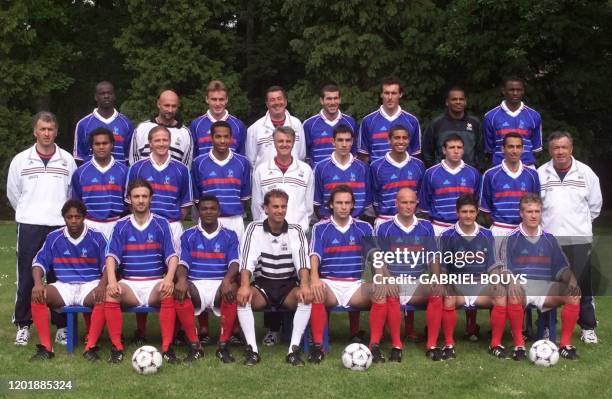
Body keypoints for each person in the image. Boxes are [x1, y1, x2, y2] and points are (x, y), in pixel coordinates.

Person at [98, 179, 199, 363]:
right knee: (111, 295)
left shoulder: (161, 224)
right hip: (130, 283)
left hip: (154, 282)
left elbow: (173, 257)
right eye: (136, 196)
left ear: (151, 198)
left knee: (167, 291)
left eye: (144, 196)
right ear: (129, 199)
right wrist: (112, 281)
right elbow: (111, 256)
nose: (141, 200)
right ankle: (117, 348)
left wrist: (169, 279)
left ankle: (167, 348)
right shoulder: (121, 225)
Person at [7, 111, 77, 346]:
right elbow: (14, 193)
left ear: (56, 132)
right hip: (29, 224)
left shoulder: (66, 159)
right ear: (35, 131)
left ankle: (61, 326)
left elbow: (71, 194)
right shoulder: (21, 160)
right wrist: (30, 213)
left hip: (58, 226)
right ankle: (23, 324)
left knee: (60, 277)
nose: (46, 133)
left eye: (50, 129)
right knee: (27, 275)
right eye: (42, 129)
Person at [538, 131, 602, 344]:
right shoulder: (541, 174)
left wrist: (579, 228)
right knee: (550, 286)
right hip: (550, 242)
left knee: (582, 286)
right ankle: (548, 329)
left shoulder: (585, 173)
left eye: (564, 147)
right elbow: (536, 208)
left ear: (571, 149)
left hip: (579, 240)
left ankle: (588, 327)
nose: (560, 152)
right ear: (550, 151)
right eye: (555, 148)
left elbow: (595, 206)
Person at [499, 194, 581, 361]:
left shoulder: (549, 239)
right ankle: (519, 345)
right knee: (514, 292)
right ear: (521, 213)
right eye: (529, 211)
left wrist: (571, 279)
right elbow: (504, 269)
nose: (534, 215)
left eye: (537, 211)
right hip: (521, 287)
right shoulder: (510, 238)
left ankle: (565, 345)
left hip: (545, 287)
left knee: (573, 294)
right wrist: (513, 281)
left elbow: (562, 268)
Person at [236, 189, 312, 366]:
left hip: (288, 286)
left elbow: (302, 262)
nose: (280, 210)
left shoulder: (296, 230)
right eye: (275, 207)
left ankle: (293, 350)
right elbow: (247, 261)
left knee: (306, 298)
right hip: (263, 285)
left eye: (283, 207)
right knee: (243, 299)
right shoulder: (254, 228)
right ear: (265, 209)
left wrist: (305, 285)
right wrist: (245, 285)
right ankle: (252, 350)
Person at [29, 200, 107, 361]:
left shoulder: (97, 236)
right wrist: (38, 283)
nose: (73, 220)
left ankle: (90, 347)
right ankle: (46, 348)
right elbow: (38, 263)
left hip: (89, 285)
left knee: (104, 297)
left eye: (77, 217)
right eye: (69, 217)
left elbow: (108, 265)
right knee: (38, 295)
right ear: (64, 218)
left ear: (84, 217)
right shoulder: (53, 238)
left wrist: (101, 285)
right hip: (63, 286)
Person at [374, 188, 444, 361]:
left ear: (417, 204)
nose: (408, 206)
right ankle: (396, 346)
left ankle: (432, 345)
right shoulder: (384, 227)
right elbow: (378, 259)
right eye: (404, 202)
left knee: (437, 291)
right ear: (396, 204)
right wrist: (388, 279)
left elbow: (433, 256)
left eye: (412, 202)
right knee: (390, 292)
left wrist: (436, 277)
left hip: (417, 282)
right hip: (394, 279)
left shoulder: (426, 226)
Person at [308, 186, 375, 363]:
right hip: (329, 283)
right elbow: (314, 255)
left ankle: (374, 346)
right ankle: (318, 346)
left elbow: (376, 257)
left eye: (347, 203)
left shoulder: (364, 227)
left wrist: (381, 279)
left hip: (355, 285)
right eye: (339, 203)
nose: (343, 207)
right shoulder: (319, 228)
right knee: (317, 293)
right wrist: (314, 279)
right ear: (331, 205)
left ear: (353, 205)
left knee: (381, 293)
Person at [438, 194, 508, 359]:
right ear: (457, 213)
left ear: (477, 212)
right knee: (448, 295)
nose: (468, 215)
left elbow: (492, 264)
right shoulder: (446, 235)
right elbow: (443, 268)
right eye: (464, 212)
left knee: (500, 294)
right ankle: (449, 344)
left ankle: (495, 344)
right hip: (458, 287)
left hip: (480, 286)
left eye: (471, 211)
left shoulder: (486, 234)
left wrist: (496, 282)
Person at [175, 195, 240, 363]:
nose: (208, 212)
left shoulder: (230, 235)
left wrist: (227, 281)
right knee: (180, 291)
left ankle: (223, 346)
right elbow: (182, 263)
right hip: (196, 283)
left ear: (219, 211)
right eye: (204, 209)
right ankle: (195, 346)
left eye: (212, 208)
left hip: (220, 283)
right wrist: (181, 280)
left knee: (233, 290)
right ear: (198, 212)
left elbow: (235, 263)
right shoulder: (188, 235)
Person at [127, 125, 192, 248]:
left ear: (170, 141)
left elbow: (186, 203)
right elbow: (130, 201)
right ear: (150, 143)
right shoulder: (137, 167)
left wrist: (172, 220)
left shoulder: (182, 169)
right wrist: (143, 221)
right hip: (145, 225)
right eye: (157, 140)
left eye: (165, 140)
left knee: (174, 265)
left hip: (172, 226)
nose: (161, 144)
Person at [191, 120, 251, 240]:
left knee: (236, 258)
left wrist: (230, 210)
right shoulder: (198, 162)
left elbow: (244, 198)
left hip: (234, 220)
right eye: (218, 136)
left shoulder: (243, 162)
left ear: (231, 138)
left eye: (226, 137)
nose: (222, 141)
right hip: (207, 221)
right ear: (211, 138)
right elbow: (197, 198)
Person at [251, 126, 314, 233]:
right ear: (274, 143)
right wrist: (262, 228)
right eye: (280, 141)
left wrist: (303, 227)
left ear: (294, 143)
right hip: (267, 232)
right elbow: (257, 204)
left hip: (297, 231)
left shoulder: (306, 170)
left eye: (288, 141)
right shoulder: (261, 170)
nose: (284, 144)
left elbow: (308, 206)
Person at [480, 133, 540, 239]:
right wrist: (498, 227)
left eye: (518, 147)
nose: (514, 151)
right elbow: (485, 210)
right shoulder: (490, 175)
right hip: (499, 230)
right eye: (510, 146)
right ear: (503, 149)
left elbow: (536, 205)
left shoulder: (532, 174)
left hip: (526, 230)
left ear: (522, 149)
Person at [71, 127, 128, 239]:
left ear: (112, 144)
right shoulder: (80, 172)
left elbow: (128, 203)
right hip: (89, 224)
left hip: (116, 224)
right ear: (91, 146)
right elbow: (76, 203)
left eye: (105, 143)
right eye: (97, 144)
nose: (101, 147)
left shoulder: (124, 171)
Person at [420, 134, 481, 236]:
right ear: (444, 150)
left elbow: (477, 202)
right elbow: (425, 206)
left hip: (466, 229)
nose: (456, 151)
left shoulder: (474, 173)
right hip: (439, 228)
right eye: (452, 147)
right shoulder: (431, 173)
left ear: (463, 150)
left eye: (459, 147)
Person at [370, 125, 425, 227]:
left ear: (409, 141)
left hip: (410, 220)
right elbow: (374, 195)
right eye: (397, 138)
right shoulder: (376, 166)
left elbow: (420, 193)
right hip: (385, 220)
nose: (401, 141)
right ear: (389, 140)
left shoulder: (418, 165)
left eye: (404, 138)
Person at [313, 124, 371, 219]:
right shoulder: (320, 168)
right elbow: (317, 203)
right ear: (333, 141)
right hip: (328, 223)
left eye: (347, 140)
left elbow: (367, 203)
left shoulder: (363, 168)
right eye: (340, 140)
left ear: (352, 142)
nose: (344, 144)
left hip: (355, 223)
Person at [358, 76, 421, 162]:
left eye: (394, 93)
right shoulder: (368, 121)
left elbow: (416, 155)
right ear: (381, 94)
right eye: (386, 93)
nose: (390, 97)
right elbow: (363, 156)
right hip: (377, 174)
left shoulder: (412, 121)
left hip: (404, 174)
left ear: (400, 94)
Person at [483, 77, 542, 166]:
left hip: (527, 167)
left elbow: (536, 149)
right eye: (511, 90)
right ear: (504, 91)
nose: (515, 93)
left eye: (519, 90)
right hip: (499, 167)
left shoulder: (534, 116)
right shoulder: (490, 116)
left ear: (523, 91)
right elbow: (489, 150)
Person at [73, 81, 134, 163]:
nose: (106, 96)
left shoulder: (126, 124)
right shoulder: (83, 124)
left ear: (114, 96)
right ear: (96, 97)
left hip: (120, 175)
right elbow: (79, 158)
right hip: (91, 175)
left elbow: (128, 158)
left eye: (109, 93)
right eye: (102, 93)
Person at [246, 86, 306, 169]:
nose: (276, 102)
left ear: (285, 102)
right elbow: (250, 160)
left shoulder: (297, 124)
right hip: (265, 179)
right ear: (267, 104)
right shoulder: (254, 128)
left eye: (279, 98)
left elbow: (301, 155)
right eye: (272, 100)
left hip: (292, 178)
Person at [129, 90, 193, 166]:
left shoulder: (185, 133)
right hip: (144, 177)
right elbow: (134, 161)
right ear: (158, 104)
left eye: (174, 106)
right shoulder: (142, 128)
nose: (170, 110)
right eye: (167, 105)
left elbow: (185, 167)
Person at [422, 87, 481, 168]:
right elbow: (427, 152)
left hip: (469, 175)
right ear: (447, 102)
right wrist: (435, 170)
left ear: (465, 102)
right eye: (454, 99)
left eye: (461, 99)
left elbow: (480, 150)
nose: (458, 102)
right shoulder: (437, 123)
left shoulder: (474, 123)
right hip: (442, 175)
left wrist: (477, 169)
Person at [303, 84, 358, 166]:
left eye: (335, 98)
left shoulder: (351, 122)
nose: (332, 102)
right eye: (329, 99)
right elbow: (306, 158)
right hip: (318, 177)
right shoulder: (309, 124)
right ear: (321, 100)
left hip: (344, 176)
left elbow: (354, 155)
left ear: (340, 100)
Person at [189, 80, 247, 157]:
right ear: (207, 99)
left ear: (226, 99)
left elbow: (242, 157)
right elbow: (192, 157)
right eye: (214, 99)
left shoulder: (239, 126)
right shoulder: (196, 125)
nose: (217, 104)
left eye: (221, 99)